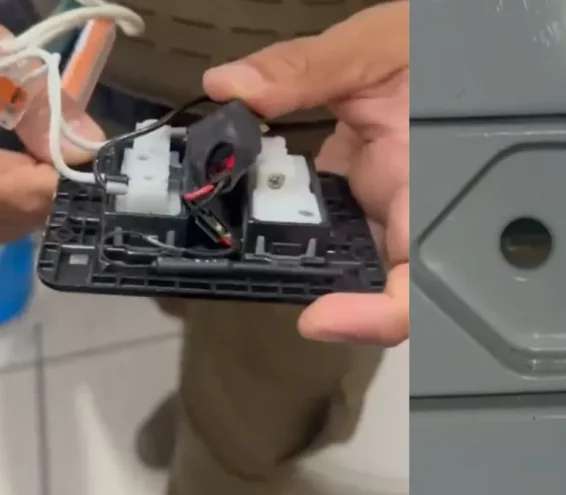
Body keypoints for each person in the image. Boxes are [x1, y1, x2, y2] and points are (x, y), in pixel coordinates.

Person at [0, 1, 409, 493]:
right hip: (87, 66)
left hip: (335, 105)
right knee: (171, 283)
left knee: (263, 401)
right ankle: (201, 402)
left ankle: (227, 454)